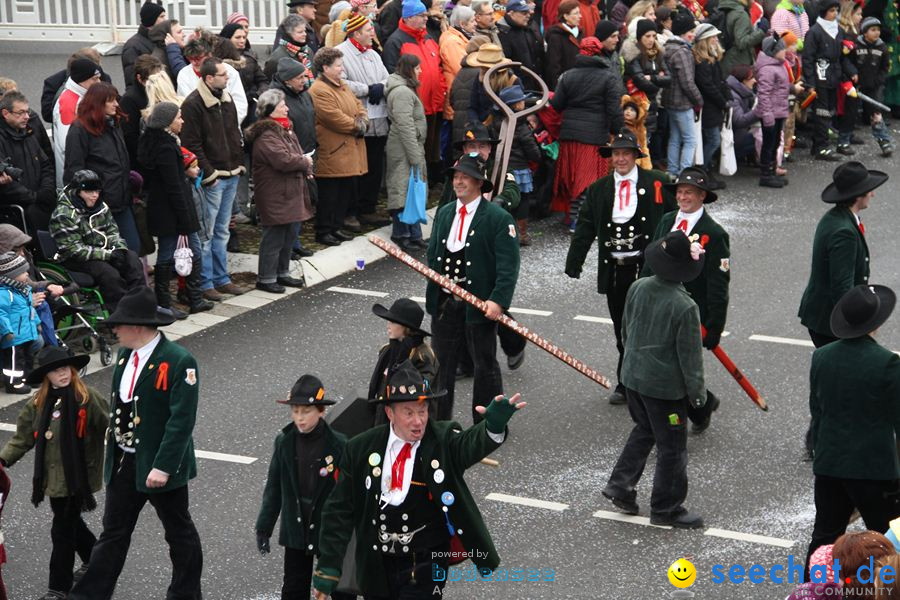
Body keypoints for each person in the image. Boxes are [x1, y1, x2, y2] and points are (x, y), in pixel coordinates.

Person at [311, 362, 525, 600]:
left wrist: (493, 427)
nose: (418, 421)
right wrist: (329, 566)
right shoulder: (360, 449)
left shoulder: (442, 440)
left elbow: (469, 444)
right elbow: (338, 510)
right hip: (377, 564)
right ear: (390, 413)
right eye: (409, 412)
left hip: (427, 560)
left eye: (422, 411)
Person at [68, 286, 202, 600]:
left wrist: (164, 466)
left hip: (158, 466)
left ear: (137, 326)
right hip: (124, 460)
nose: (114, 329)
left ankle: (185, 595)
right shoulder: (126, 355)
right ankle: (88, 596)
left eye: (119, 324)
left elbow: (181, 421)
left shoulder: (180, 361)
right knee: (113, 533)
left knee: (179, 533)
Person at [602, 230, 707, 529]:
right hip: (664, 388)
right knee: (673, 448)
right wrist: (697, 395)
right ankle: (666, 507)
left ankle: (620, 485)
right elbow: (690, 359)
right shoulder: (685, 307)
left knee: (644, 428)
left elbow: (625, 330)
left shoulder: (638, 287)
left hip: (633, 376)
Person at [565, 130, 674, 405]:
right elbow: (586, 225)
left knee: (648, 326)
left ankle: (650, 380)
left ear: (636, 156)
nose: (621, 158)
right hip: (615, 268)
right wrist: (574, 260)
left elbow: (676, 219)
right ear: (611, 157)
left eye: (626, 153)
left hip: (646, 268)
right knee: (622, 328)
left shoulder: (657, 182)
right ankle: (626, 381)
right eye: (617, 153)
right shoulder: (599, 188)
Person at [805, 285, 900, 570]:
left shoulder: (822, 356)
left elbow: (817, 411)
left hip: (830, 463)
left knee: (824, 535)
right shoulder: (888, 363)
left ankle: (811, 587)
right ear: (876, 322)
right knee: (885, 539)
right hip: (873, 469)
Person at [0, 347, 106, 600]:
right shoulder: (37, 404)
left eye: (66, 368)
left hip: (77, 477)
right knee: (70, 523)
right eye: (56, 370)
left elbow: (109, 428)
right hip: (53, 479)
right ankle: (96, 560)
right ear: (47, 374)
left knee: (61, 531)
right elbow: (23, 438)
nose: (63, 373)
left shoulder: (87, 398)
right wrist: (2, 459)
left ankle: (58, 587)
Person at [426, 154, 520, 422]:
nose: (458, 181)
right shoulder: (444, 213)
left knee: (484, 364)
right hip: (445, 304)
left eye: (464, 177)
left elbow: (508, 265)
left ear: (479, 182)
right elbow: (434, 254)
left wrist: (498, 301)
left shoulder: (498, 218)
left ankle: (489, 422)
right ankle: (439, 424)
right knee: (441, 365)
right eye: (456, 176)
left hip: (479, 304)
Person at [644, 166, 729, 433]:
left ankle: (696, 407)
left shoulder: (714, 233)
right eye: (680, 192)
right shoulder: (667, 219)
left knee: (683, 366)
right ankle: (701, 405)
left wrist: (714, 325)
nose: (683, 197)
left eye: (689, 193)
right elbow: (651, 258)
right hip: (660, 305)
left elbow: (718, 283)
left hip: (691, 311)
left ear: (702, 196)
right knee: (666, 362)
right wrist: (642, 291)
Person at [255, 374, 353, 600]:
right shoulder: (284, 441)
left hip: (329, 529)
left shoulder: (339, 445)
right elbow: (274, 487)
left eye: (306, 411)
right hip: (296, 527)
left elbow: (349, 495)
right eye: (296, 411)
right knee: (293, 587)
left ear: (321, 411)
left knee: (339, 588)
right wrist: (264, 526)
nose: (300, 418)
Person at [180, 57, 250, 302]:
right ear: (209, 78)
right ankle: (206, 282)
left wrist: (238, 164)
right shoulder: (193, 104)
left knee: (222, 231)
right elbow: (192, 144)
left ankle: (222, 279)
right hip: (214, 179)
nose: (227, 77)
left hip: (231, 174)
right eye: (222, 74)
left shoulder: (226, 99)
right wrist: (209, 175)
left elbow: (234, 133)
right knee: (208, 234)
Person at [137, 102, 214, 316]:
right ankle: (166, 304)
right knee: (168, 255)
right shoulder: (165, 147)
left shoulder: (155, 142)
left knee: (189, 250)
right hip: (172, 211)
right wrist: (185, 217)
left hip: (168, 209)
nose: (182, 121)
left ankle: (193, 297)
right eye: (179, 117)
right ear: (168, 122)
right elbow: (174, 185)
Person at [798, 161, 886, 347]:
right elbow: (841, 286)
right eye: (869, 190)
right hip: (831, 322)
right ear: (858, 196)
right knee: (845, 373)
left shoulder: (836, 217)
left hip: (824, 316)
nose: (872, 194)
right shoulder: (844, 232)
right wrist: (860, 324)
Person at [550, 36, 624, 231]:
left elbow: (556, 104)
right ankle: (579, 220)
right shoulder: (608, 77)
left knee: (573, 178)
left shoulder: (567, 75)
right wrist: (618, 131)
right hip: (593, 136)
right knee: (588, 180)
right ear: (598, 53)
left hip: (569, 135)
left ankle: (572, 217)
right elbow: (614, 109)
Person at [245, 89, 312, 294]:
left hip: (289, 190)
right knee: (274, 237)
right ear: (271, 110)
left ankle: (282, 272)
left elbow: (296, 154)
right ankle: (266, 278)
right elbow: (283, 160)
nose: (287, 108)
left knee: (289, 235)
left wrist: (304, 164)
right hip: (275, 193)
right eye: (283, 106)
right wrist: (305, 162)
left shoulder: (284, 129)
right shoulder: (266, 135)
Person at [49, 170, 145, 312]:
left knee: (131, 258)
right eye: (89, 192)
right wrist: (108, 255)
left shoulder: (102, 207)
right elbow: (74, 250)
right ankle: (119, 316)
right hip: (74, 258)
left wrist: (119, 248)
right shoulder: (64, 214)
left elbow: (112, 231)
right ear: (77, 191)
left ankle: (140, 304)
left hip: (101, 251)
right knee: (109, 273)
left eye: (97, 191)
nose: (95, 195)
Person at [63, 82, 141, 254]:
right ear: (98, 103)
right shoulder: (79, 130)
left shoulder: (113, 124)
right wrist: (89, 201)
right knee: (113, 252)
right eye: (111, 101)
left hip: (122, 200)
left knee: (133, 248)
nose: (116, 104)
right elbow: (73, 171)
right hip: (98, 206)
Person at [308, 47, 369, 246]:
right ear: (325, 68)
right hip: (333, 149)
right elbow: (332, 117)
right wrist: (357, 125)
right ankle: (324, 230)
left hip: (348, 148)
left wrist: (362, 119)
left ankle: (336, 227)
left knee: (344, 192)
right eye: (338, 65)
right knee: (329, 194)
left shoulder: (341, 84)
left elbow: (358, 105)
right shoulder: (319, 90)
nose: (342, 69)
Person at [337, 15, 393, 230]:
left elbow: (388, 78)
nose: (372, 33)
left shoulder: (373, 54)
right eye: (368, 29)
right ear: (355, 33)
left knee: (375, 167)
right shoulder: (342, 52)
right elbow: (341, 83)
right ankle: (351, 212)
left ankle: (368, 208)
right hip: (359, 118)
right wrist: (369, 89)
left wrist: (381, 86)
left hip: (379, 117)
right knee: (357, 168)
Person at [383, 0, 447, 187]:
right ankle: (416, 185)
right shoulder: (396, 41)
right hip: (414, 105)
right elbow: (393, 74)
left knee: (432, 147)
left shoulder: (428, 37)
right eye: (421, 16)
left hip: (434, 103)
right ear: (409, 17)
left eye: (426, 15)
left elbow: (439, 67)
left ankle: (430, 182)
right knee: (416, 146)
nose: (425, 19)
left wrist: (441, 90)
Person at [269, 57, 318, 259]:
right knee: (290, 206)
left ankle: (294, 243)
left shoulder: (303, 94)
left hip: (306, 153)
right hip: (290, 157)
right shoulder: (275, 97)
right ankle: (287, 247)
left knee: (301, 203)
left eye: (305, 76)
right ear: (287, 80)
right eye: (299, 78)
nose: (304, 81)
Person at [367, 299, 439, 425]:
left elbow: (420, 392)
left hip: (409, 423)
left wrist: (403, 360)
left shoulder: (423, 357)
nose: (388, 325)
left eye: (393, 321)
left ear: (406, 327)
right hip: (385, 417)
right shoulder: (387, 350)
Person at [385, 54, 429, 251]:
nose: (420, 71)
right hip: (404, 147)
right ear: (410, 69)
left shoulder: (406, 89)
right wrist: (414, 156)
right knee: (402, 189)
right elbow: (405, 126)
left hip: (409, 145)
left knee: (412, 189)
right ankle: (401, 233)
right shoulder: (402, 92)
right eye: (418, 68)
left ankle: (414, 233)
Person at [491, 84, 542, 245]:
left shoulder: (495, 124)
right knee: (522, 200)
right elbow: (532, 150)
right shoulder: (521, 127)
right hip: (519, 168)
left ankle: (504, 232)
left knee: (505, 198)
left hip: (501, 169)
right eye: (521, 102)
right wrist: (539, 157)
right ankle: (521, 234)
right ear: (516, 105)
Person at [0, 90, 56, 230]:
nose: (26, 117)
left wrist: (47, 191)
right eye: (20, 113)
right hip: (19, 213)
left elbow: (46, 165)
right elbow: (7, 182)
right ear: (6, 113)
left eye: (27, 112)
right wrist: (33, 197)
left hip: (41, 202)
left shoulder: (28, 134)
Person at [802, 0, 849, 161]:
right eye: (831, 11)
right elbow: (807, 59)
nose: (835, 14)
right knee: (821, 113)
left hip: (834, 76)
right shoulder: (814, 32)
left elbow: (842, 57)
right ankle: (821, 148)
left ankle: (818, 144)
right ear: (823, 12)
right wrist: (810, 83)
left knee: (830, 111)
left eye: (836, 10)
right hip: (819, 76)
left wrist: (850, 73)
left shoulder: (839, 30)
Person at [622, 18, 671, 168]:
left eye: (654, 36)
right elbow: (641, 81)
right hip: (638, 104)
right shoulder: (634, 55)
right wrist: (658, 80)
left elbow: (669, 78)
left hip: (652, 104)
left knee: (647, 141)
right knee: (639, 143)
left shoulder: (658, 54)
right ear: (639, 37)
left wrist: (653, 78)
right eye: (647, 36)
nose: (651, 40)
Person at [661, 13, 702, 177]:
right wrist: (698, 100)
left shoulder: (667, 48)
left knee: (675, 138)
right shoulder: (682, 52)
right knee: (690, 139)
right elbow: (687, 83)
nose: (693, 35)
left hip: (669, 101)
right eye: (691, 31)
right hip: (682, 103)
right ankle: (684, 172)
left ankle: (672, 171)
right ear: (684, 32)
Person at [52, 58, 101, 189]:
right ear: (82, 80)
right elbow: (68, 144)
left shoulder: (81, 96)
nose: (99, 82)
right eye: (94, 79)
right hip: (74, 175)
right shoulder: (69, 102)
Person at [178, 37, 249, 127]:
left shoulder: (229, 72)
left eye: (198, 58)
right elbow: (187, 105)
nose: (194, 62)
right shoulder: (184, 74)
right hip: (200, 128)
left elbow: (240, 104)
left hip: (228, 127)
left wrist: (224, 124)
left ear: (209, 55)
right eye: (190, 58)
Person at [692, 24, 730, 189]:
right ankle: (702, 171)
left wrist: (726, 97)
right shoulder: (702, 62)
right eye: (713, 37)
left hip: (713, 105)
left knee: (712, 139)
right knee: (713, 139)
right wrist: (723, 101)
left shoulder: (712, 59)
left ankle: (706, 169)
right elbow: (708, 86)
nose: (716, 40)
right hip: (708, 107)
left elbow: (719, 82)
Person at [0, 251, 43, 393]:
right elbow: (1, 313)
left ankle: (27, 378)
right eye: (24, 272)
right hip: (13, 336)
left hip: (25, 332)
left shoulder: (24, 290)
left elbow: (30, 309)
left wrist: (36, 322)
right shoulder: (5, 293)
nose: (27, 275)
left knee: (27, 357)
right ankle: (13, 384)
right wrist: (6, 331)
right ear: (11, 275)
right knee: (14, 362)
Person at [851, 17, 894, 156]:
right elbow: (850, 62)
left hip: (875, 86)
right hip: (857, 85)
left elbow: (885, 67)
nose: (876, 33)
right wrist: (853, 76)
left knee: (876, 113)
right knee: (850, 111)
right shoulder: (856, 46)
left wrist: (879, 80)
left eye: (878, 30)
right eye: (873, 30)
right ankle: (844, 139)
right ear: (864, 32)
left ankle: (884, 141)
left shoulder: (882, 47)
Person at [755, 34, 791, 187]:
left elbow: (782, 86)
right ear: (773, 51)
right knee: (768, 144)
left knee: (775, 142)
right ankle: (765, 173)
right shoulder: (768, 70)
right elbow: (764, 94)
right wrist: (767, 115)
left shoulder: (779, 65)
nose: (785, 51)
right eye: (782, 49)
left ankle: (772, 168)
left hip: (780, 111)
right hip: (771, 113)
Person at [219, 22, 269, 127]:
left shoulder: (250, 58)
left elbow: (262, 80)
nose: (242, 40)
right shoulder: (218, 62)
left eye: (244, 37)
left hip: (251, 106)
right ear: (227, 38)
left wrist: (258, 94)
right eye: (237, 37)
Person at [120, 55, 164, 171]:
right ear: (140, 78)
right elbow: (130, 136)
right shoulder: (129, 100)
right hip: (144, 162)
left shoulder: (157, 91)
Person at [441, 5, 477, 123]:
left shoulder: (461, 38)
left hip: (461, 97)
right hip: (457, 99)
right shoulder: (452, 42)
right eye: (472, 21)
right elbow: (462, 68)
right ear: (462, 24)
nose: (476, 24)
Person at [122, 1, 167, 89]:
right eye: (162, 16)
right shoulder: (132, 46)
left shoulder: (161, 39)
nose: (165, 20)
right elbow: (132, 80)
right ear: (152, 19)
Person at [497, 0, 546, 79]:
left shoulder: (525, 27)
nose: (528, 16)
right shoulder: (502, 33)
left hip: (533, 79)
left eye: (528, 12)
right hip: (517, 84)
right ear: (511, 13)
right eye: (524, 13)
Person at [719, 0, 767, 76]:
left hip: (728, 60)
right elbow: (741, 42)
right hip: (738, 62)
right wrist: (761, 32)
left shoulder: (729, 9)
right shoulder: (740, 14)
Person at [545, 0, 584, 88]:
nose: (580, 16)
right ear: (565, 16)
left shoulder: (580, 33)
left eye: (579, 13)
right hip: (565, 85)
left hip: (580, 83)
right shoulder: (556, 37)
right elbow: (554, 66)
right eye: (576, 13)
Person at [726, 64, 761, 163]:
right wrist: (759, 111)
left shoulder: (744, 91)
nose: (755, 81)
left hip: (739, 134)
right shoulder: (733, 96)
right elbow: (739, 120)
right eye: (751, 78)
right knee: (765, 137)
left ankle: (752, 159)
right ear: (743, 80)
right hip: (733, 140)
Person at [266, 14, 313, 81]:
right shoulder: (277, 58)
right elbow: (270, 81)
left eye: (304, 31)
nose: (305, 34)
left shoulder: (308, 51)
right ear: (288, 34)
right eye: (300, 32)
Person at [147, 19, 188, 84]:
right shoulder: (158, 61)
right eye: (179, 32)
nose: (184, 35)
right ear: (167, 37)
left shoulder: (178, 51)